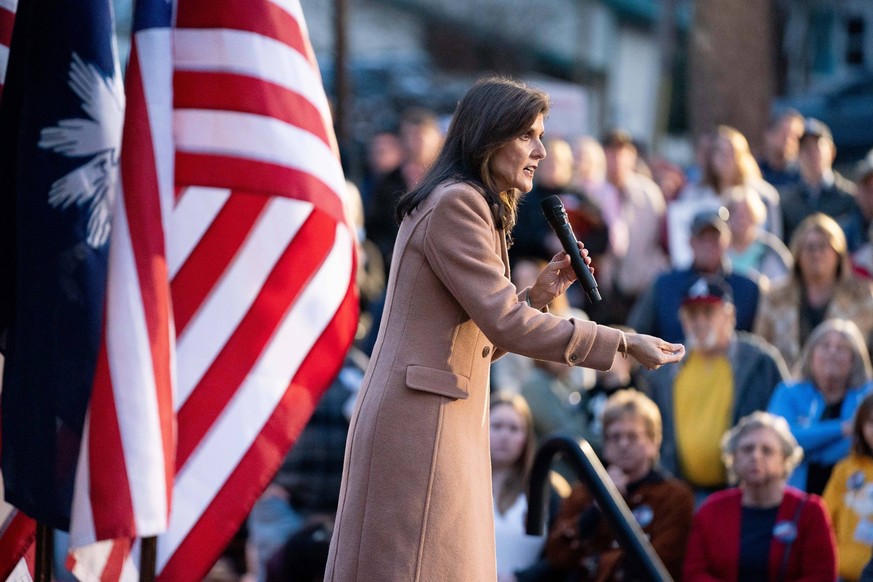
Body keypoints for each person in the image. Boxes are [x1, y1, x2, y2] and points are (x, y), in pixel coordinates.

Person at [323, 76, 685, 582]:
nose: (539, 150)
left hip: (431, 415)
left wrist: (537, 296)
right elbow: (508, 326)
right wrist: (621, 341)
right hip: (421, 423)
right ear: (490, 137)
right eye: (528, 136)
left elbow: (476, 336)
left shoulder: (462, 201)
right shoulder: (458, 203)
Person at [638, 275, 789, 498]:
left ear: (729, 316)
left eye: (708, 313)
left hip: (746, 492)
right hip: (683, 493)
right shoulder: (667, 367)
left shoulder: (761, 362)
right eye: (692, 314)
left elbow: (783, 423)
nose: (699, 321)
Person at [543, 389, 694, 581]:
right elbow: (557, 556)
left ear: (653, 442)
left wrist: (597, 563)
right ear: (605, 444)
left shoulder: (673, 496)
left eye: (632, 436)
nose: (623, 444)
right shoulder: (583, 494)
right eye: (615, 436)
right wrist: (599, 506)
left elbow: (664, 563)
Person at [683, 411, 837, 581]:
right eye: (747, 449)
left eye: (767, 450)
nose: (756, 456)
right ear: (733, 459)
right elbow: (694, 572)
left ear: (784, 460)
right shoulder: (711, 510)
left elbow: (821, 575)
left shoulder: (810, 512)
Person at [754, 212, 873, 370]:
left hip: (849, 388)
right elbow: (761, 350)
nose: (816, 254)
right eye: (809, 247)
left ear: (838, 253)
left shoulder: (862, 295)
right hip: (789, 387)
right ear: (798, 254)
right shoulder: (775, 297)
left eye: (823, 246)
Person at [768, 318, 873, 495]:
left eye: (841, 348)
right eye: (825, 346)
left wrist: (809, 446)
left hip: (857, 497)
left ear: (855, 359)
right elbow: (781, 439)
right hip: (796, 493)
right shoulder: (788, 392)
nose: (832, 353)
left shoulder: (868, 395)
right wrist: (843, 429)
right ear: (810, 355)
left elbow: (862, 445)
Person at [628, 208, 761, 344]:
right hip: (673, 362)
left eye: (715, 238)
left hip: (731, 364)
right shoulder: (664, 285)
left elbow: (759, 342)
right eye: (702, 238)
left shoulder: (749, 289)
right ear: (691, 242)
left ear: (727, 241)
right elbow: (637, 332)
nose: (708, 245)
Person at [489, 393, 558, 582]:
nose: (505, 435)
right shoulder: (462, 481)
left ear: (527, 437)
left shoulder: (546, 487)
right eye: (497, 426)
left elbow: (560, 554)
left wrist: (520, 577)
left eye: (514, 429)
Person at [365, 106, 444, 269]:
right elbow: (375, 226)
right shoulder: (387, 182)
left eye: (421, 136)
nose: (415, 143)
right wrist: (389, 251)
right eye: (409, 135)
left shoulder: (447, 181)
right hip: (396, 266)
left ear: (438, 138)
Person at [780, 117, 858, 244]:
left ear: (832, 151)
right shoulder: (787, 203)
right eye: (805, 147)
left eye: (817, 145)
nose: (811, 153)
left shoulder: (849, 197)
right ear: (796, 154)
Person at [823, 392, 873, 582]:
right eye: (871, 422)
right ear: (860, 426)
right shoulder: (846, 468)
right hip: (842, 571)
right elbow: (826, 517)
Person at [724, 184, 793, 285]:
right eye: (735, 213)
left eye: (746, 213)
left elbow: (785, 281)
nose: (740, 219)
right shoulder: (719, 249)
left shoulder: (770, 247)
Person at [758, 108, 804, 190]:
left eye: (795, 136)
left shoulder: (803, 176)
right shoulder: (755, 172)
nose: (789, 141)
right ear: (769, 134)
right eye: (784, 133)